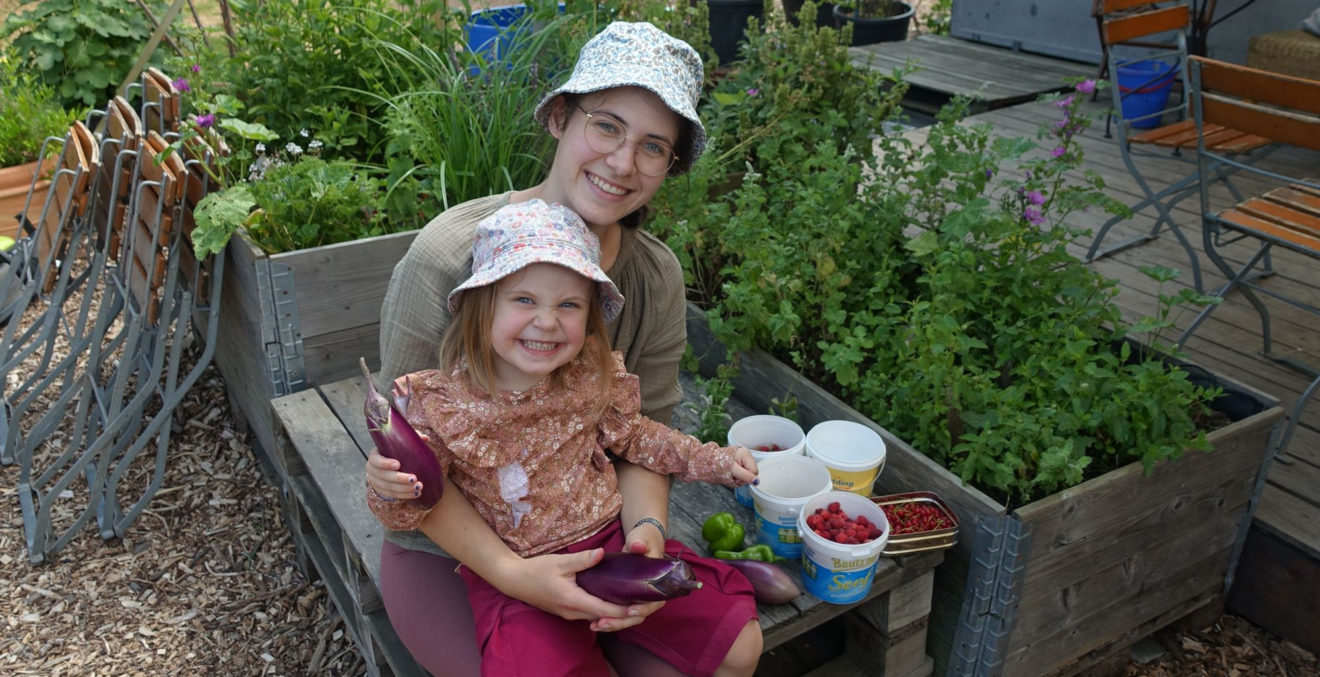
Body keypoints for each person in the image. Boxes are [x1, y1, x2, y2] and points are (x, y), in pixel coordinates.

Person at [365, 21, 719, 675]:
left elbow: (642, 438)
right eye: (607, 126)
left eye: (653, 147)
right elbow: (406, 462)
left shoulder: (655, 276)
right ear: (560, 116)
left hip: (589, 528)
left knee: (712, 658)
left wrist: (645, 535)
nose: (622, 163)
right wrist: (513, 573)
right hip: (452, 547)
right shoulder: (450, 255)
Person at [368, 199, 763, 676]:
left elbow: (639, 439)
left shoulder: (588, 377)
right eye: (524, 300)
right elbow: (415, 501)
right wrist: (387, 483)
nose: (548, 321)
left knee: (740, 644)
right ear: (481, 304)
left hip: (612, 548)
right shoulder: (442, 402)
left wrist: (717, 462)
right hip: (522, 577)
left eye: (569, 304)